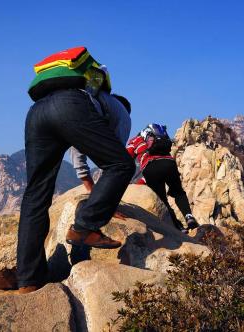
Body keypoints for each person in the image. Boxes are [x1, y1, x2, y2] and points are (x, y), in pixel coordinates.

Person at [17, 48, 135, 293]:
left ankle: (29, 280)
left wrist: (93, 190)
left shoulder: (91, 97)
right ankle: (84, 228)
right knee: (124, 165)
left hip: (36, 113)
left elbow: (80, 149)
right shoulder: (121, 112)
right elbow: (113, 162)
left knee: (35, 196)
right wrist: (105, 204)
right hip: (69, 107)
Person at [127, 124, 199, 232]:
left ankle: (177, 228)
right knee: (178, 192)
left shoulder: (136, 140)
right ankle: (189, 216)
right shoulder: (159, 135)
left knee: (162, 200)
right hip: (169, 163)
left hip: (150, 167)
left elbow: (126, 157)